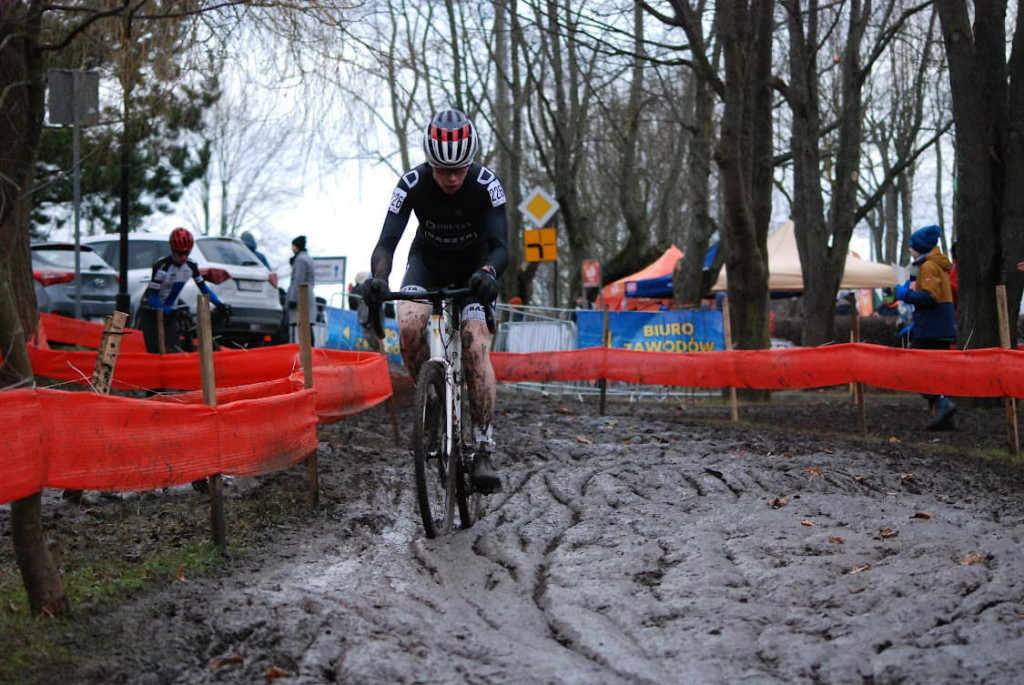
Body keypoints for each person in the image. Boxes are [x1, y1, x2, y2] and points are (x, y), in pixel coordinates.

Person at [363, 108, 508, 494]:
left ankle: (483, 447)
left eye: (459, 168)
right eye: (443, 170)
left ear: (471, 160)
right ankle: (432, 402)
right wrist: (379, 279)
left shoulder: (486, 183)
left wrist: (490, 275)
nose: (452, 177)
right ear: (430, 163)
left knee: (475, 347)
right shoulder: (411, 183)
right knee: (409, 327)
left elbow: (500, 247)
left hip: (475, 269)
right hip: (426, 263)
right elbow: (387, 242)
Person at [895, 224, 957, 430]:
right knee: (938, 372)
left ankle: (941, 402)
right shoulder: (937, 265)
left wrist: (906, 295)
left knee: (914, 369)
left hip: (932, 329)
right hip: (939, 327)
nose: (910, 250)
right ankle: (946, 420)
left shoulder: (929, 266)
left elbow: (931, 298)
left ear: (920, 247)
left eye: (912, 246)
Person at [138, 227, 228, 355]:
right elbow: (153, 298)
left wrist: (219, 304)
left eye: (187, 253)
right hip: (151, 312)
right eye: (180, 254)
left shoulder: (191, 266)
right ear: (173, 251)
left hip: (169, 312)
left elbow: (204, 289)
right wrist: (167, 310)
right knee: (155, 352)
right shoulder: (162, 266)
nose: (184, 257)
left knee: (173, 351)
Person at [287, 235, 317, 345]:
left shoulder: (300, 260)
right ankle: (310, 352)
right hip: (308, 294)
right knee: (306, 326)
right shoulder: (308, 258)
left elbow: (298, 279)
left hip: (302, 297)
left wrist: (293, 298)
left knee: (303, 325)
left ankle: (307, 355)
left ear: (296, 247)